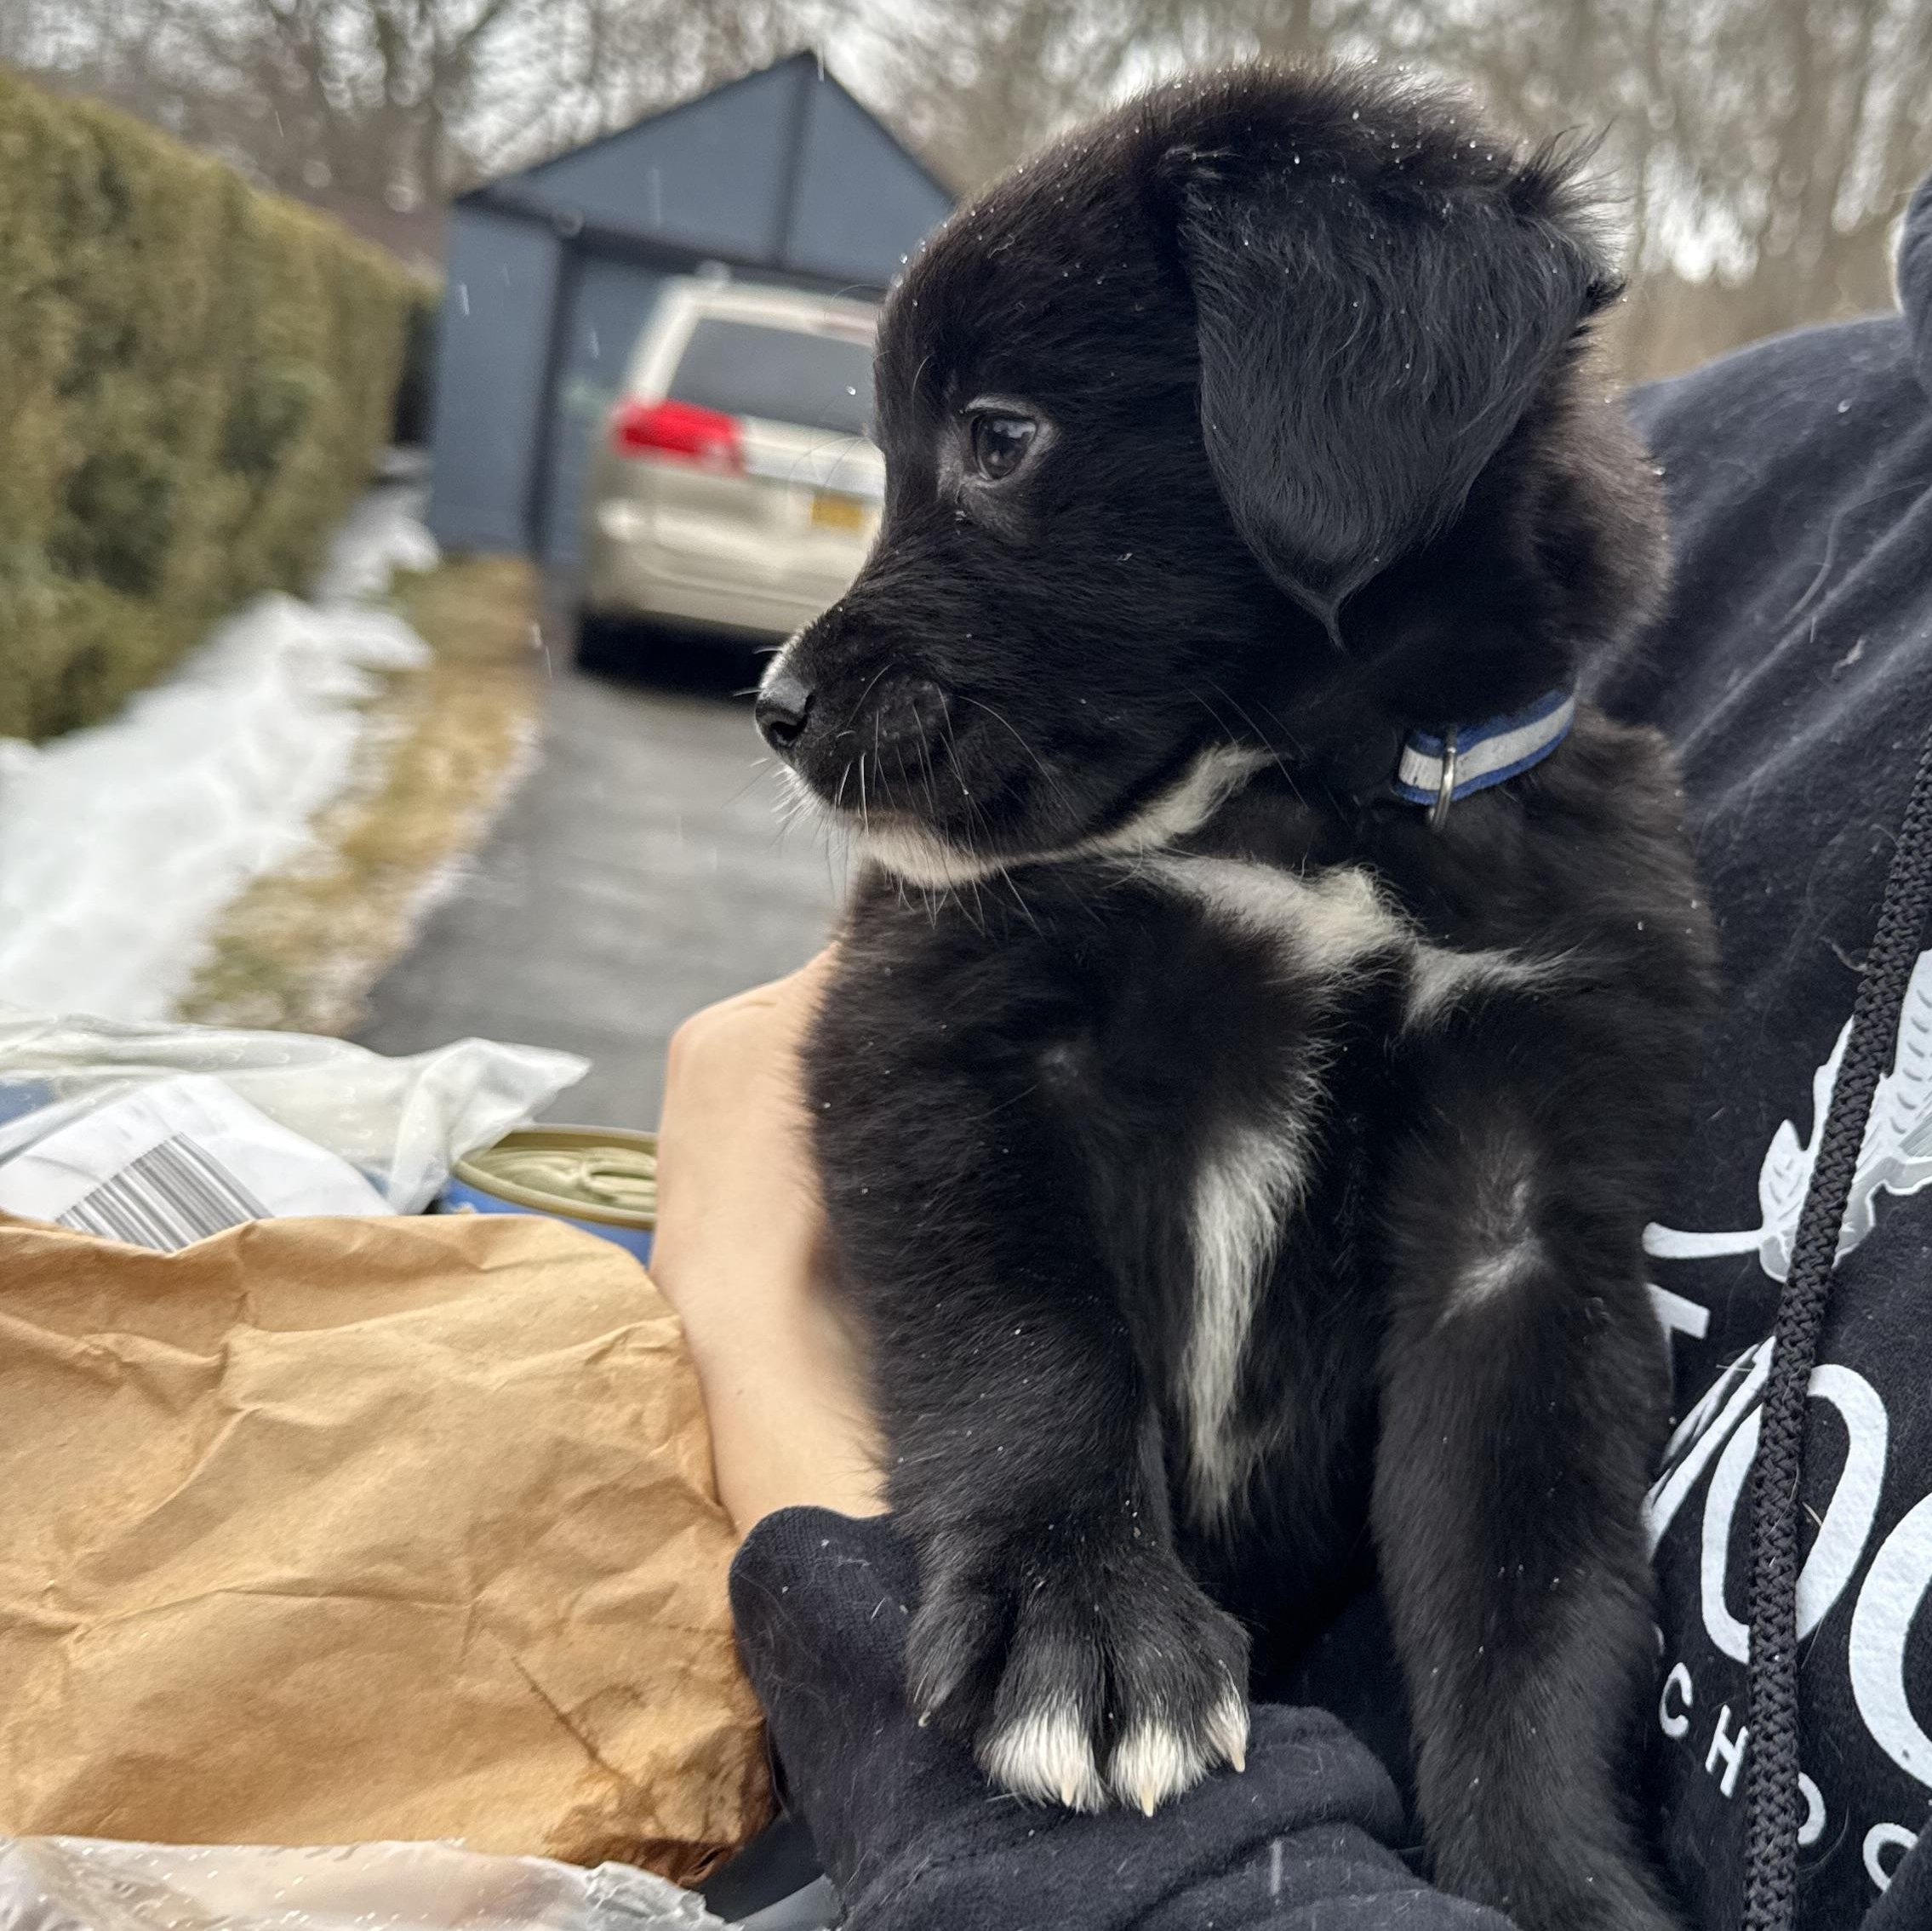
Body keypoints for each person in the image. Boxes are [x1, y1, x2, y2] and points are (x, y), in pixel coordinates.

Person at [648, 169, 1932, 1931]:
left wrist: (1539, 1853)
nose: (822, 649)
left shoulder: (1564, 850)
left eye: (997, 443)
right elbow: (912, 1104)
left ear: (1351, 388)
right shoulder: (1801, 458)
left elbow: (1521, 1324)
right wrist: (1038, 1507)